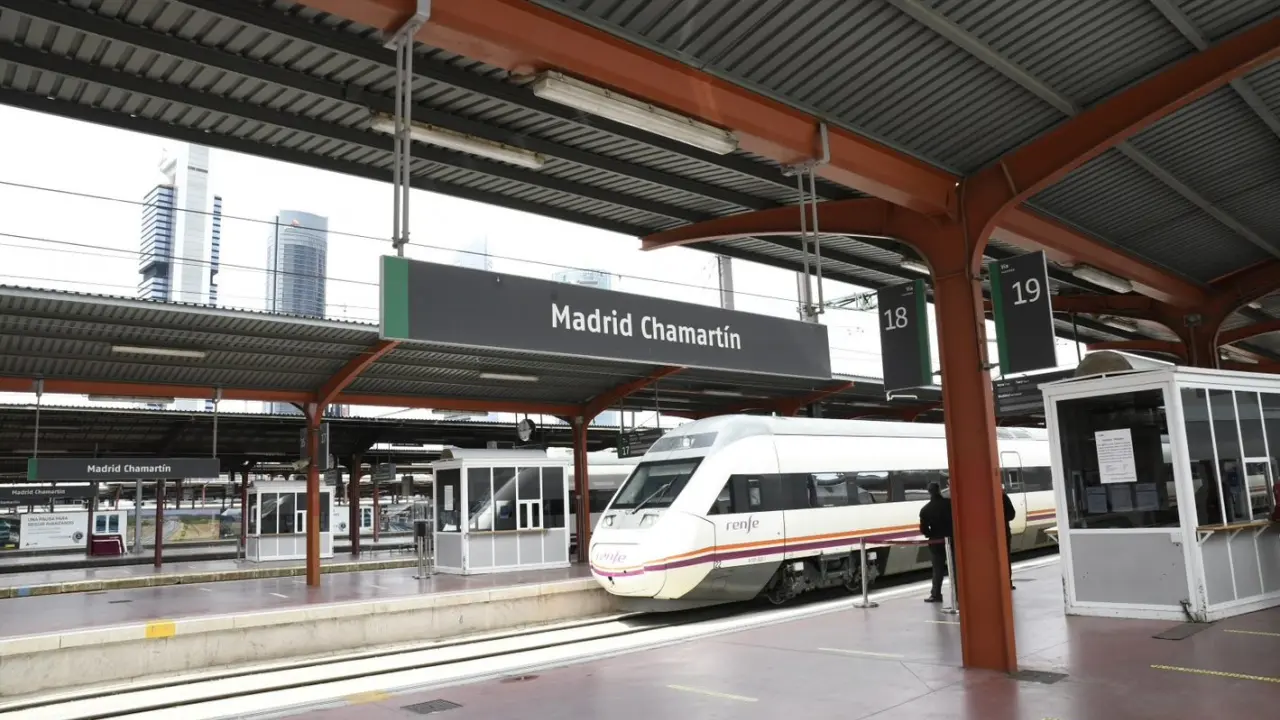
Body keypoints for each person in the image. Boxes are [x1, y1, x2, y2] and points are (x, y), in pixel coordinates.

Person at [919, 481, 953, 603]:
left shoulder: (925, 510)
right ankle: (959, 593)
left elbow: (923, 529)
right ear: (939, 490)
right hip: (952, 539)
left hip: (936, 542)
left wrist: (931, 534)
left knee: (937, 569)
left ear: (929, 492)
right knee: (955, 567)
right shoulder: (949, 504)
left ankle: (936, 594)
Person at [1003, 489, 1016, 590]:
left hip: (1003, 533)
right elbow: (1012, 514)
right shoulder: (1003, 496)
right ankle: (1008, 582)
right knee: (1006, 558)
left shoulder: (1002, 496)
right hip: (1005, 532)